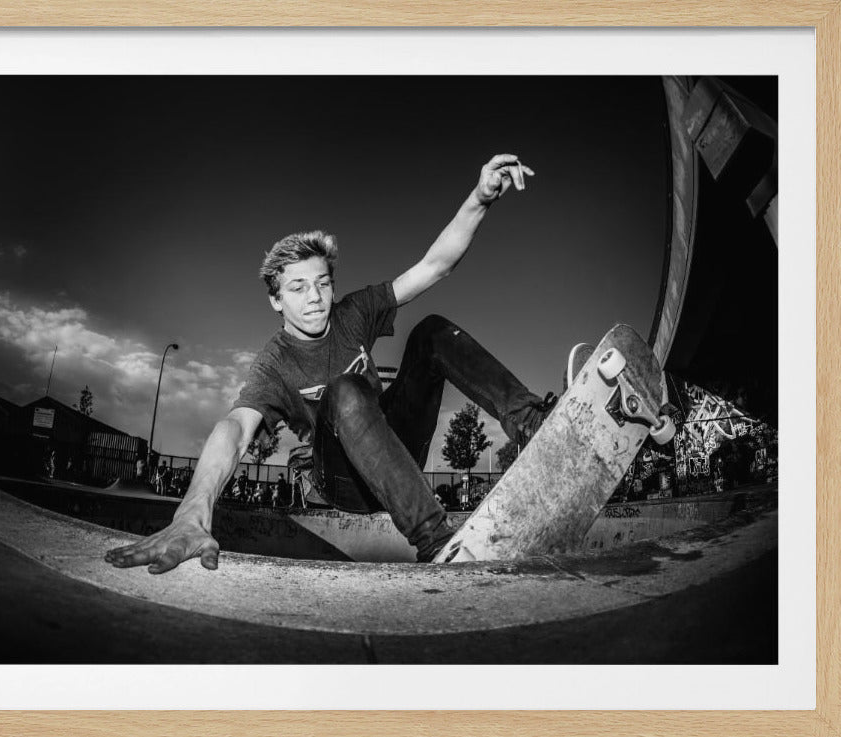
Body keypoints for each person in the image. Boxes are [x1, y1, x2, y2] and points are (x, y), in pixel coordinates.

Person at [107, 153, 563, 574]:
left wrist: (478, 200)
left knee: (431, 332)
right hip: (342, 481)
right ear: (275, 299)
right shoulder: (274, 363)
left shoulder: (355, 313)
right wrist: (192, 512)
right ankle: (438, 541)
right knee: (344, 390)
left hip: (395, 453)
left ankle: (535, 424)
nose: (315, 300)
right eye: (298, 288)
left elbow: (433, 266)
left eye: (322, 284)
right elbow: (235, 430)